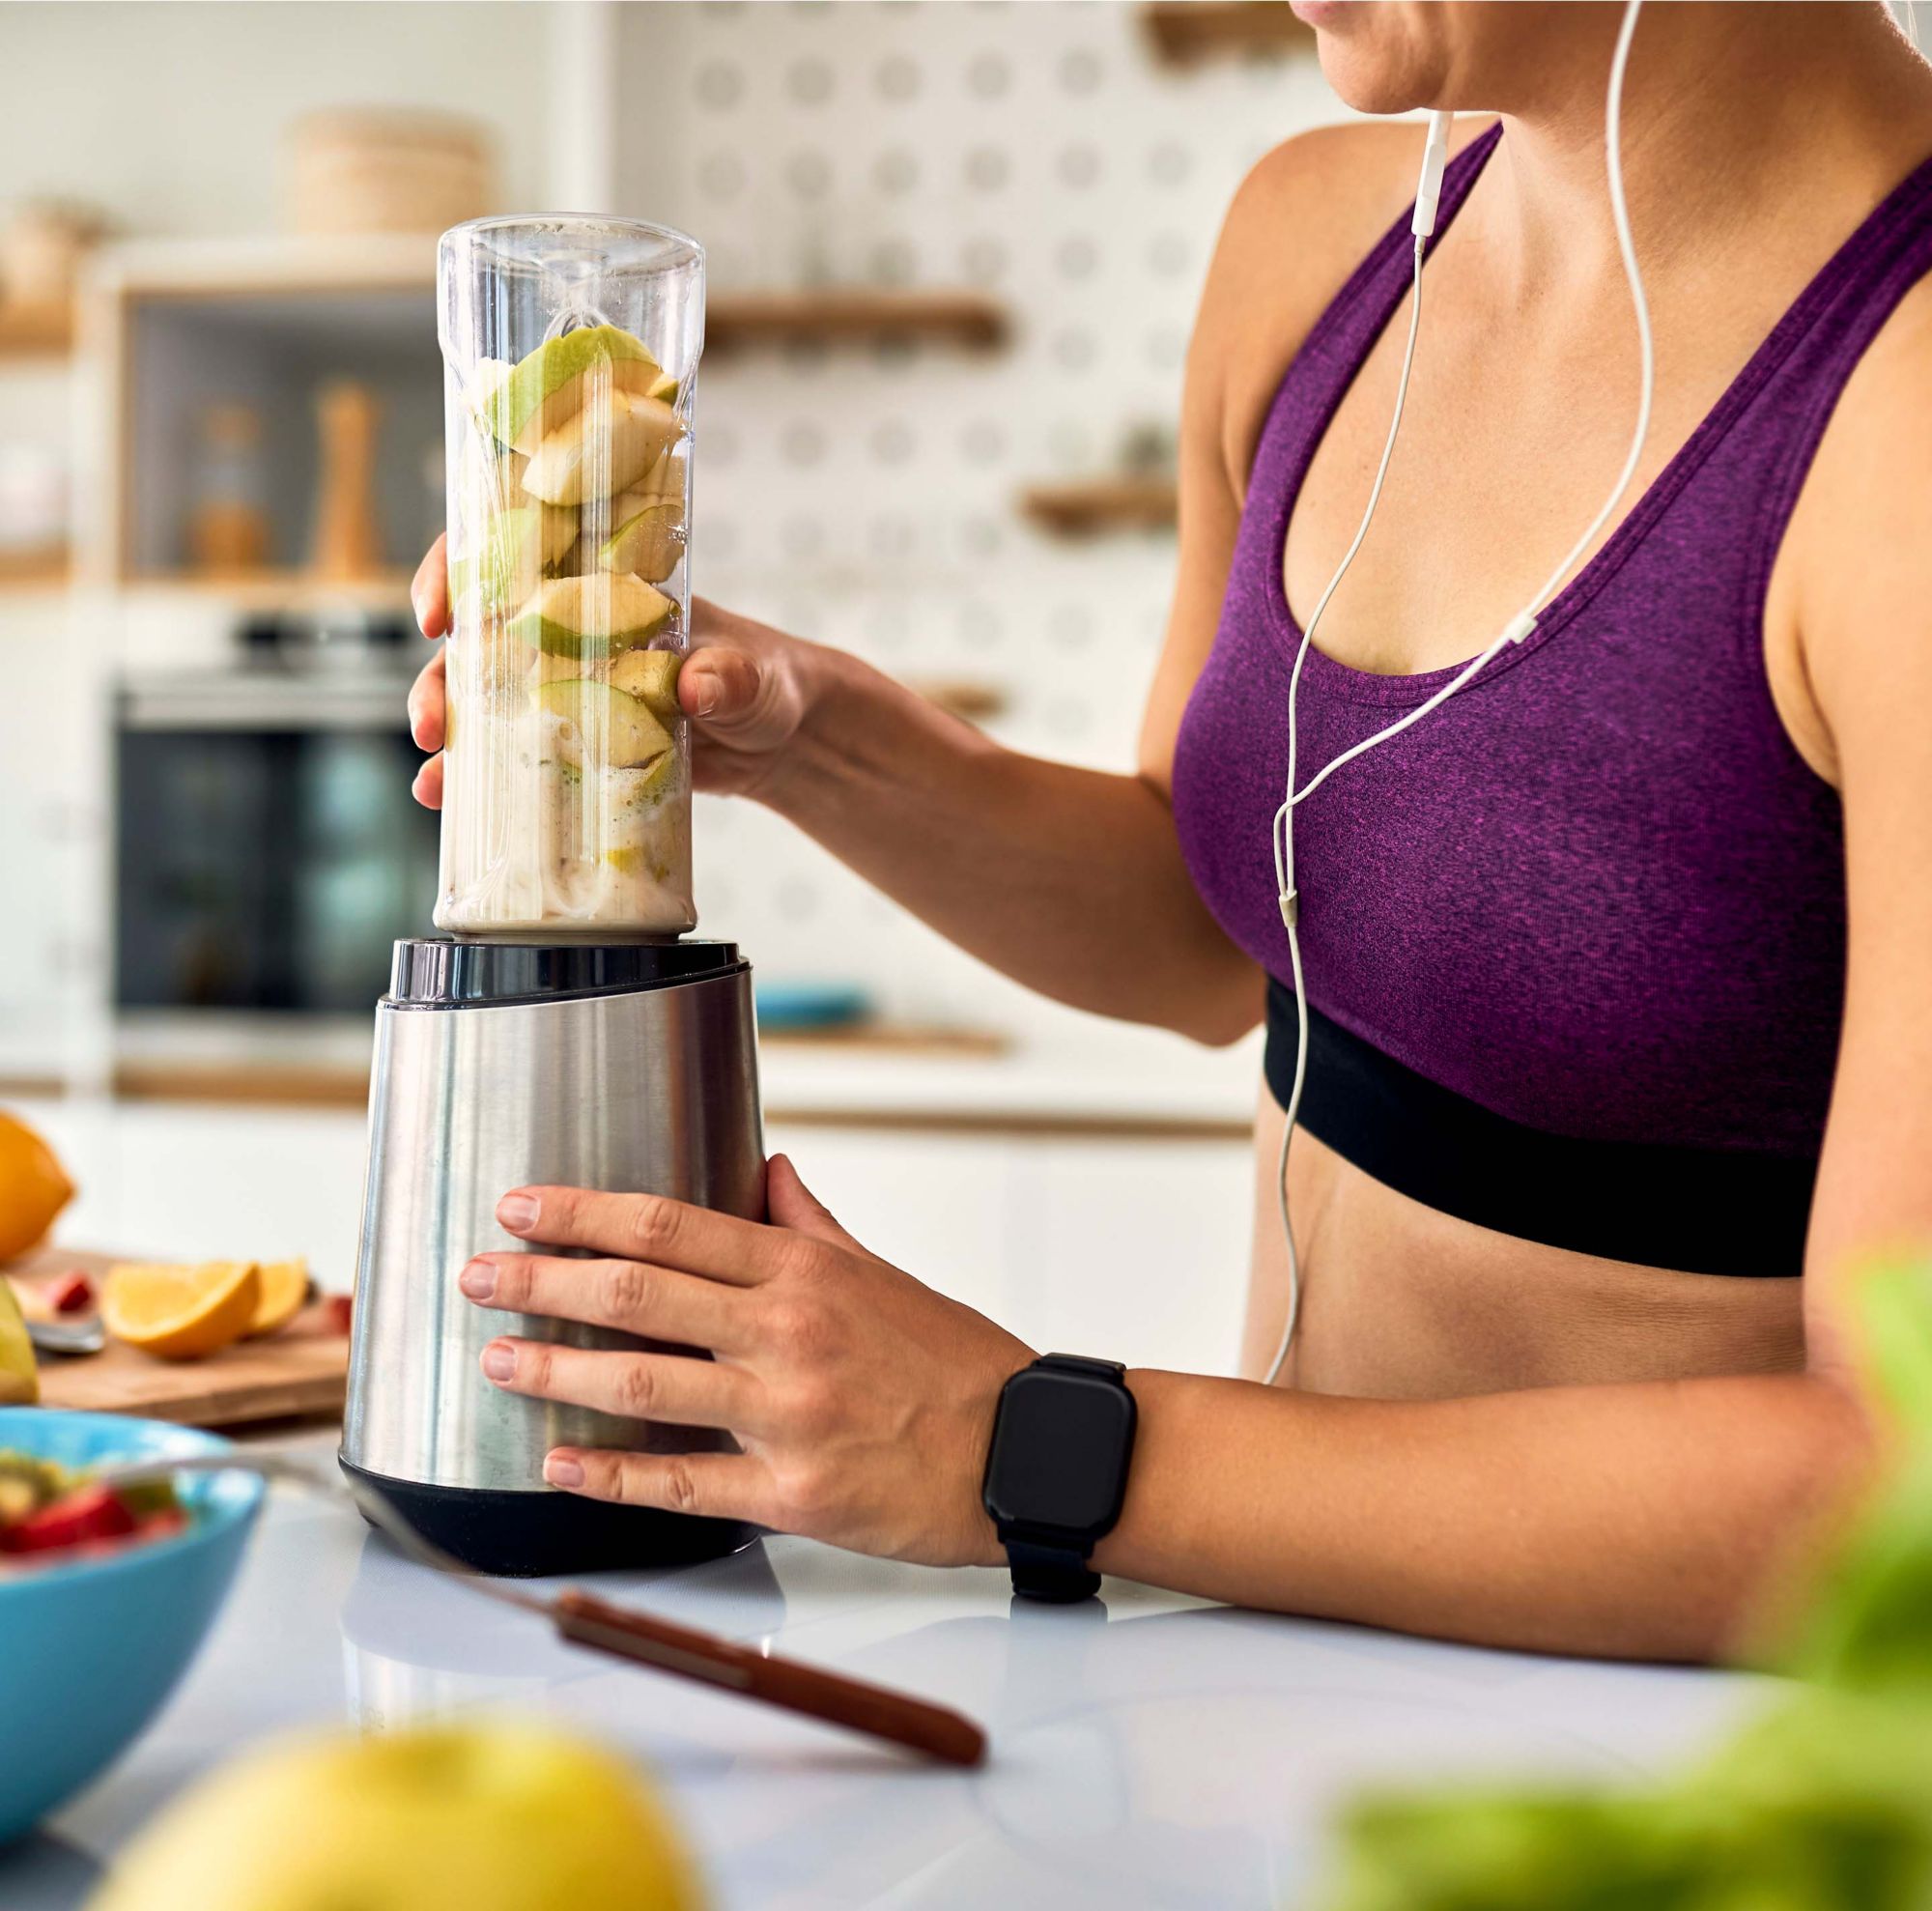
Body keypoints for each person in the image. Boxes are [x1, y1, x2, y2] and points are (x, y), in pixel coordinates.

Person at [405, 1, 1932, 1661]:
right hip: (1272, 1660)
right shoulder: (1322, 243)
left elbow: (1894, 1476)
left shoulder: (1899, 412)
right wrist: (800, 733)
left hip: (1679, 1755)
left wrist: (1027, 1443)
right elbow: (1206, 930)